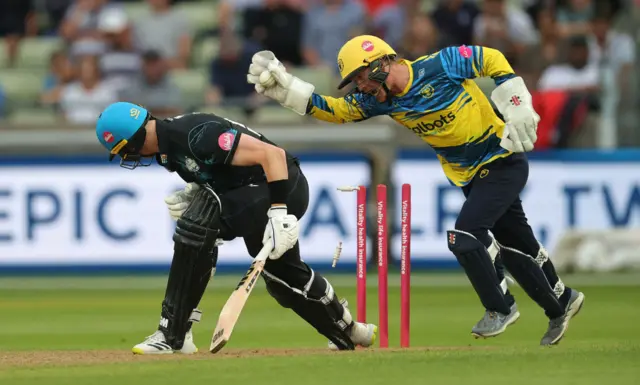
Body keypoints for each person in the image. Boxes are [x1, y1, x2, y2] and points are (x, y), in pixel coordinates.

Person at [247, 35, 585, 346]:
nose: (360, 87)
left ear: (380, 63)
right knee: (516, 244)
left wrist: (517, 102)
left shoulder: (440, 65)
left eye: (362, 77)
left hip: (502, 159)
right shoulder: (381, 101)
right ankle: (561, 303)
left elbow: (491, 58)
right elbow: (337, 110)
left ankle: (501, 307)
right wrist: (289, 91)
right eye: (355, 82)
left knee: (466, 235)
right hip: (469, 176)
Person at [94, 102, 377, 354]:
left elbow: (273, 155)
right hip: (250, 192)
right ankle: (348, 330)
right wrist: (197, 191)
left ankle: (173, 334)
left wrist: (279, 213)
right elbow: (220, 173)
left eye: (123, 151)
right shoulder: (168, 151)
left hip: (280, 186)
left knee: (195, 225)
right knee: (283, 280)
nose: (127, 158)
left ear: (134, 140)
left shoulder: (195, 134)